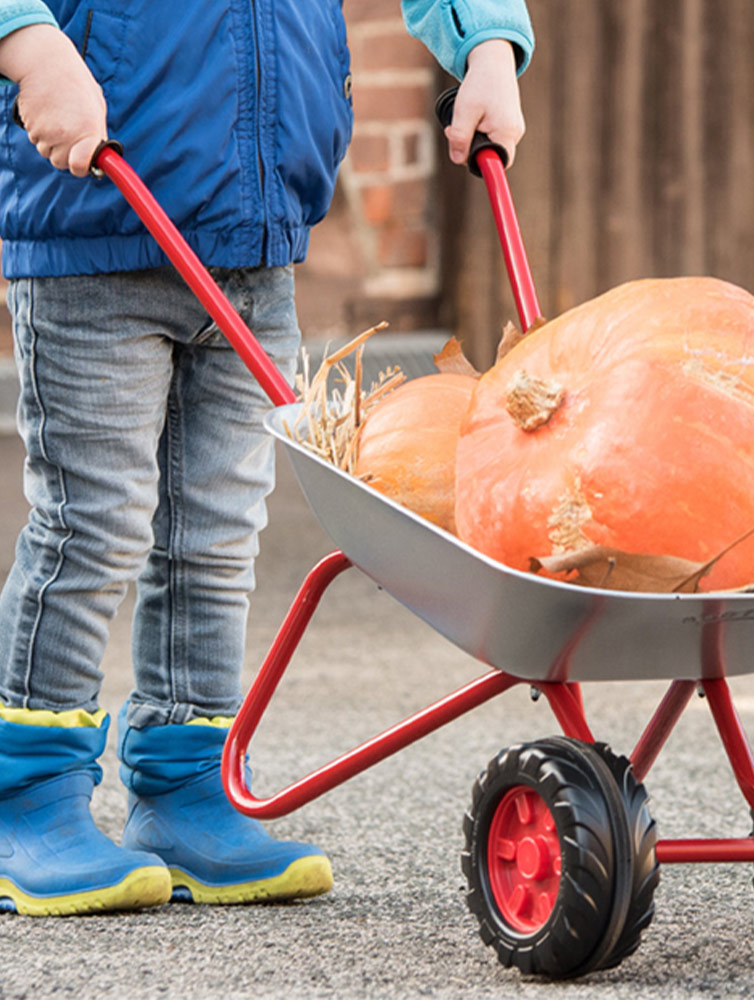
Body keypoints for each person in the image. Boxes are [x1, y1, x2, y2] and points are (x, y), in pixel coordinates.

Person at [0, 0, 533, 916]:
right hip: (96, 224)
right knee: (94, 526)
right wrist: (28, 40)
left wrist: (486, 44)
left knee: (218, 530)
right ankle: (26, 800)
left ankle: (185, 786)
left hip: (254, 246)